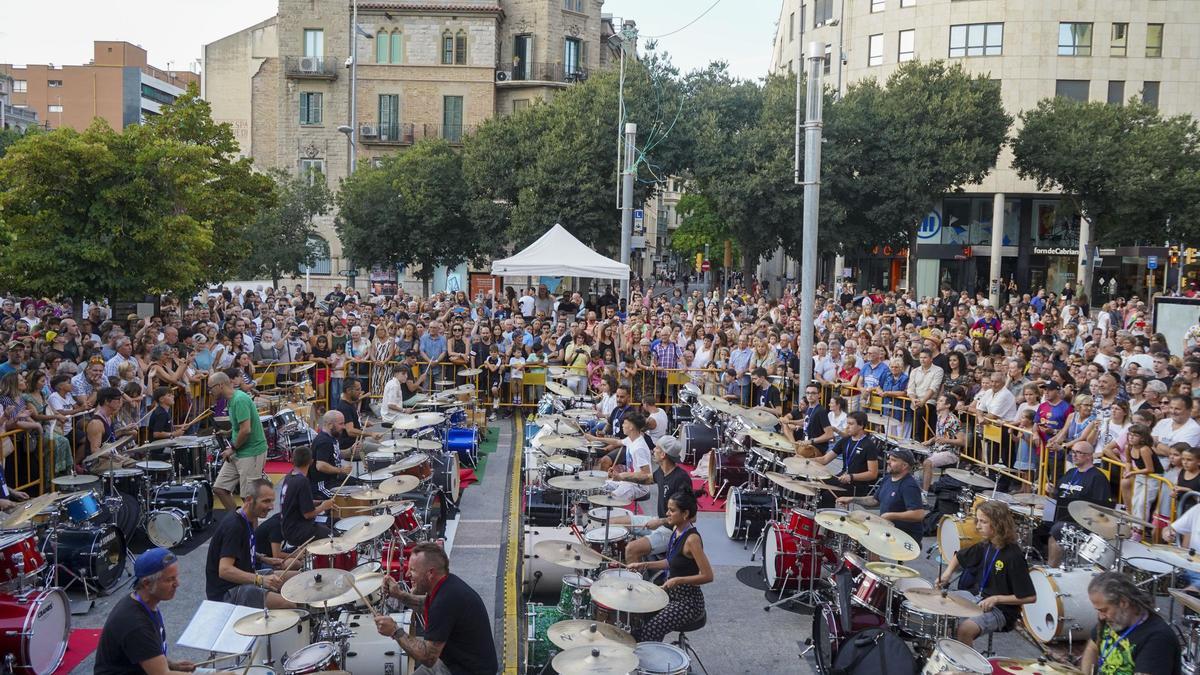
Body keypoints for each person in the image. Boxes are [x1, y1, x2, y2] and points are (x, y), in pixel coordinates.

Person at [95, 547, 234, 675]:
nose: (177, 584)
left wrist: (172, 665)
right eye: (170, 580)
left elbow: (145, 653)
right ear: (147, 583)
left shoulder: (144, 602)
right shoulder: (135, 624)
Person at [374, 542, 498, 675]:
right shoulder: (448, 585)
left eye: (413, 570)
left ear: (430, 573)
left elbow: (428, 657)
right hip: (457, 662)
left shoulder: (445, 601)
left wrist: (394, 630)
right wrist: (400, 595)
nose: (408, 574)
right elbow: (428, 605)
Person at [935, 501, 1036, 646]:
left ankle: (968, 667)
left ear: (998, 524)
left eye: (983, 522)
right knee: (938, 602)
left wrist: (996, 599)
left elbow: (1030, 597)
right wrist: (946, 574)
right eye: (978, 520)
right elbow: (959, 556)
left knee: (965, 630)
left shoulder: (1014, 556)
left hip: (1001, 610)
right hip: (977, 596)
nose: (977, 526)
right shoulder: (986, 545)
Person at [626, 490, 714, 642]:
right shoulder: (676, 529)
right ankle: (649, 650)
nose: (667, 513)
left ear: (685, 514)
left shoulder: (692, 540)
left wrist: (678, 580)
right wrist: (644, 564)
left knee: (649, 630)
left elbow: (708, 576)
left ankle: (649, 655)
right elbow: (670, 561)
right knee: (639, 613)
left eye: (672, 510)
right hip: (671, 593)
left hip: (687, 602)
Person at [205, 478, 297, 609]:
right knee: (289, 603)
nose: (271, 506)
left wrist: (264, 558)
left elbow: (242, 548)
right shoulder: (234, 526)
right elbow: (224, 570)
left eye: (272, 501)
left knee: (296, 579)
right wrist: (260, 579)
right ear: (248, 500)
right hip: (227, 592)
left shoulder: (247, 519)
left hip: (245, 577)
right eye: (266, 501)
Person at [609, 436, 695, 563]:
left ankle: (633, 580)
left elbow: (692, 517)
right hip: (659, 521)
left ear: (663, 454)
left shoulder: (681, 479)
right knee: (614, 522)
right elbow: (646, 478)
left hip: (672, 531)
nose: (653, 450)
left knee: (631, 549)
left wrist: (660, 522)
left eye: (657, 448)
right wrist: (621, 477)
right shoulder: (662, 471)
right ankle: (623, 562)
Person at [1080, 572, 1182, 675]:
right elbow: (1092, 648)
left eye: (1104, 610)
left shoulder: (1158, 639)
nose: (1101, 616)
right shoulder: (1113, 620)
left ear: (1123, 603)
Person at [836, 448, 926, 551]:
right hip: (888, 527)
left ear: (904, 466)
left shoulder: (909, 486)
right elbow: (874, 500)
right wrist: (851, 499)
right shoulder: (888, 478)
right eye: (889, 459)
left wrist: (891, 515)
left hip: (904, 534)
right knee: (854, 523)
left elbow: (919, 514)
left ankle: (871, 563)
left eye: (893, 460)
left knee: (867, 536)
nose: (888, 462)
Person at [208, 372, 268, 513]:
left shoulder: (239, 399)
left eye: (211, 388)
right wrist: (228, 433)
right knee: (219, 488)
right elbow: (241, 427)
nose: (210, 392)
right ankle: (238, 520)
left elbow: (246, 430)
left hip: (251, 451)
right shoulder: (231, 400)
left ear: (221, 385)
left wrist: (232, 449)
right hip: (240, 451)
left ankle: (252, 532)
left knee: (248, 498)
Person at [1047, 440, 1112, 567]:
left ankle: (1051, 568)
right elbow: (1058, 496)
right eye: (1073, 452)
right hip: (1061, 516)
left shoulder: (1097, 478)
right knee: (1036, 522)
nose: (1074, 455)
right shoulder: (1071, 473)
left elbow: (1100, 509)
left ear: (1089, 456)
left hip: (1082, 523)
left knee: (1058, 529)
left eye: (1078, 452)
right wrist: (1051, 491)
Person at [815, 411, 881, 502]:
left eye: (851, 424)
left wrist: (851, 477)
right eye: (847, 423)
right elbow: (825, 459)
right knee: (816, 485)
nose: (847, 427)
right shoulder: (845, 440)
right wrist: (805, 460)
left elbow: (873, 474)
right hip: (841, 478)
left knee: (828, 495)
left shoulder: (869, 445)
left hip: (857, 485)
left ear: (861, 425)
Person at [281, 445, 335, 546]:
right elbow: (308, 514)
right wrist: (324, 506)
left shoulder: (289, 476)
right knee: (335, 537)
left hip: (287, 527)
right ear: (311, 462)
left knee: (333, 521)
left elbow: (297, 502)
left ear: (293, 460)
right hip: (299, 530)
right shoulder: (302, 481)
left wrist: (319, 502)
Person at [601, 412, 654, 503]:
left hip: (638, 486)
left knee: (607, 500)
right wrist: (595, 439)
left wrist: (622, 476)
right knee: (599, 486)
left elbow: (646, 475)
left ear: (631, 427)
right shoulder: (631, 439)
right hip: (628, 482)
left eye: (624, 423)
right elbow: (617, 442)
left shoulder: (639, 448)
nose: (622, 425)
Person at [783, 383, 834, 458]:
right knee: (785, 445)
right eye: (808, 393)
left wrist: (811, 441)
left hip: (816, 447)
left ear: (819, 395)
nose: (810, 395)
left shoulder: (820, 411)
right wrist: (789, 422)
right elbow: (806, 421)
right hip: (805, 443)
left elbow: (830, 435)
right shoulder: (810, 409)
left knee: (798, 454)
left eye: (813, 393)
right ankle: (793, 446)